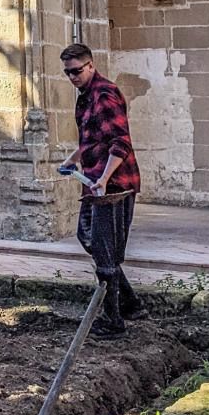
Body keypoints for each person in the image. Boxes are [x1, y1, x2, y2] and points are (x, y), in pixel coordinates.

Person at [58, 43, 142, 339]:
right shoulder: (85, 97)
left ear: (90, 65)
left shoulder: (105, 94)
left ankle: (114, 321)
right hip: (95, 181)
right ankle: (131, 304)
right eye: (68, 73)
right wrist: (73, 160)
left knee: (105, 254)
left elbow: (120, 142)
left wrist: (105, 178)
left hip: (114, 186)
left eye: (77, 71)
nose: (72, 77)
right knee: (87, 236)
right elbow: (92, 139)